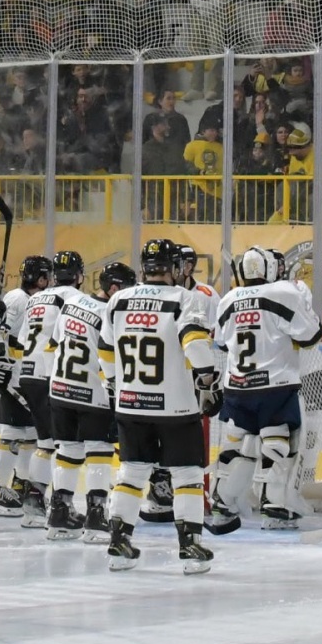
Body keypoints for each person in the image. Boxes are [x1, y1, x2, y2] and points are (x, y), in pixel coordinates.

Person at [99, 239, 220, 574]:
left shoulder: (118, 300)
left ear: (143, 268)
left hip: (130, 403)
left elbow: (106, 353)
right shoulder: (184, 298)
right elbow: (196, 345)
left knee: (132, 471)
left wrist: (116, 385)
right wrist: (209, 383)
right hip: (176, 407)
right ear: (175, 268)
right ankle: (190, 546)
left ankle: (119, 544)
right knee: (187, 474)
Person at [209, 246, 322, 534]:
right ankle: (277, 505)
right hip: (276, 386)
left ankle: (223, 502)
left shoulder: (227, 299)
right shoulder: (285, 293)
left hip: (237, 387)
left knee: (239, 448)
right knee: (281, 446)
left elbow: (222, 343)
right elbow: (312, 335)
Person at [43, 259, 135, 543]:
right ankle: (96, 517)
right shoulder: (112, 313)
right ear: (115, 288)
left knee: (68, 450)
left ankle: (59, 514)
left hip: (59, 389)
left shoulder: (72, 304)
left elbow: (52, 345)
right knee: (99, 450)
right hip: (92, 392)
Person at [143, 243, 222, 523]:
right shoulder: (181, 297)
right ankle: (162, 492)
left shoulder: (204, 294)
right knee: (167, 440)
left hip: (186, 369)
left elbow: (214, 335)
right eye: (182, 262)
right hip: (171, 373)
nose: (186, 267)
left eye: (189, 262)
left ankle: (173, 495)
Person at [0, 255, 52, 517]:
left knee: (30, 435)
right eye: (48, 276)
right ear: (41, 279)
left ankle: (20, 485)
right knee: (11, 433)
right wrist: (0, 363)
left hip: (27, 376)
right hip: (13, 376)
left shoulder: (34, 300)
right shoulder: (17, 300)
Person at [15, 251, 77, 527]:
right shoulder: (74, 298)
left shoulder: (36, 298)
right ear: (78, 275)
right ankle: (60, 505)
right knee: (64, 445)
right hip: (51, 374)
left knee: (45, 443)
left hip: (28, 373)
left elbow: (20, 339)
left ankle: (33, 502)